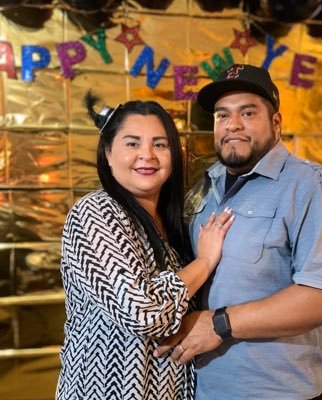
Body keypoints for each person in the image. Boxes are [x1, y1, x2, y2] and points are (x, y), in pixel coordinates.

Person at [154, 64, 322, 400]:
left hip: (278, 392)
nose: (232, 124)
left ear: (276, 122)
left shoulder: (316, 187)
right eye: (222, 115)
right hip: (202, 389)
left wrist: (219, 323)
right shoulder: (204, 186)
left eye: (247, 113)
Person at [56, 92, 235, 400]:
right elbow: (144, 314)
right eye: (132, 143)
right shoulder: (96, 212)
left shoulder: (171, 221)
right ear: (108, 153)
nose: (147, 155)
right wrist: (204, 262)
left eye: (160, 144)